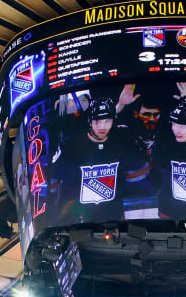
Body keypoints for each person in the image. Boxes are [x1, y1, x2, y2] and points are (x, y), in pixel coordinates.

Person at [51, 95, 147, 223]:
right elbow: (53, 180)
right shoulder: (71, 145)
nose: (102, 127)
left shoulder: (121, 141)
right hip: (78, 217)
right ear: (90, 121)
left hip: (114, 217)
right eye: (97, 122)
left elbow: (138, 175)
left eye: (107, 121)